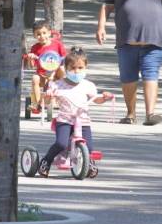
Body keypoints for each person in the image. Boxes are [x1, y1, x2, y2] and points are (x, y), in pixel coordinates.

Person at [38, 47, 113, 178]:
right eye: (72, 68)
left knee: (88, 147)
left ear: (85, 67)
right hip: (65, 120)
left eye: (80, 68)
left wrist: (104, 97)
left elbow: (96, 99)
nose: (76, 71)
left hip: (83, 120)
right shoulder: (57, 84)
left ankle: (88, 163)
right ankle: (46, 161)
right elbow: (47, 101)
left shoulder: (87, 85)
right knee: (61, 144)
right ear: (66, 68)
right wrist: (49, 95)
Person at [24, 20, 67, 114]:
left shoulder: (57, 44)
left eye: (44, 33)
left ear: (49, 33)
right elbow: (32, 66)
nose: (42, 36)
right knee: (35, 78)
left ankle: (56, 97)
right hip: (42, 74)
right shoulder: (35, 48)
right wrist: (30, 58)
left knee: (62, 68)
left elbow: (64, 58)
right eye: (38, 34)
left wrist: (58, 66)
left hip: (56, 73)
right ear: (34, 35)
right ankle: (37, 103)